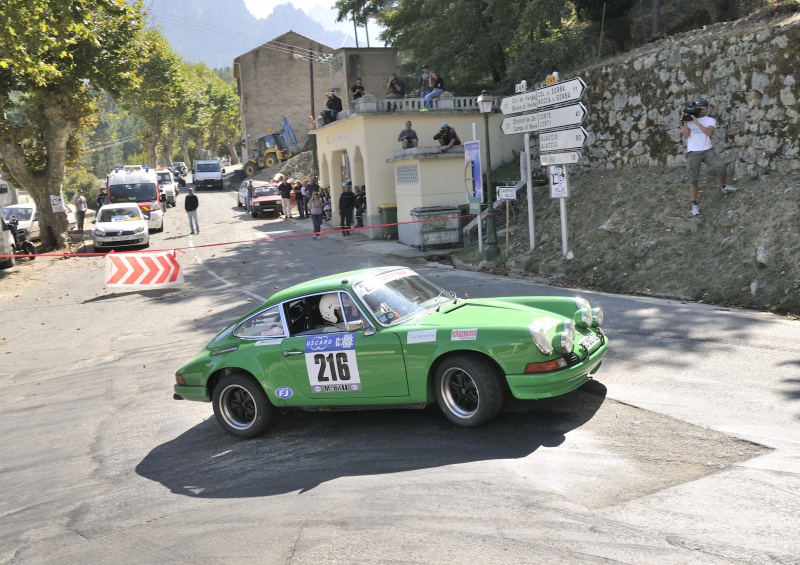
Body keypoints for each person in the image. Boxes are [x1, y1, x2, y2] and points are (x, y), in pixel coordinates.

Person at [682, 98, 736, 216]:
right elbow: (686, 136)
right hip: (693, 152)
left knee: (721, 166)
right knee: (693, 178)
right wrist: (686, 121)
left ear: (707, 109)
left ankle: (724, 186)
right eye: (699, 108)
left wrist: (696, 122)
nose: (701, 110)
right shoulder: (689, 120)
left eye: (703, 108)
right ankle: (694, 205)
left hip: (707, 150)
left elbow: (709, 133)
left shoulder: (710, 120)